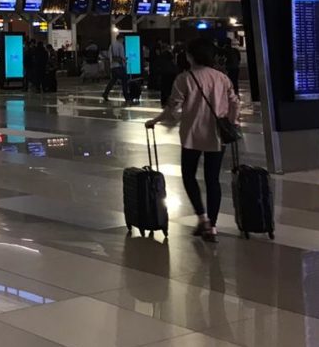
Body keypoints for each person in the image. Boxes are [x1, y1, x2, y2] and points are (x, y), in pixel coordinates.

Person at [145, 38, 239, 243]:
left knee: (189, 175)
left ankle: (202, 217)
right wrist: (231, 122)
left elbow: (172, 108)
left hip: (192, 135)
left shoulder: (184, 79)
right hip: (216, 135)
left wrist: (155, 120)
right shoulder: (221, 77)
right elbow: (235, 102)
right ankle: (212, 227)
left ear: (190, 56)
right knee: (212, 179)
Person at [102, 35, 129, 102]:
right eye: (123, 40)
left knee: (113, 80)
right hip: (119, 66)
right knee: (124, 79)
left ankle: (105, 93)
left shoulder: (111, 45)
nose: (123, 41)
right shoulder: (120, 45)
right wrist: (125, 60)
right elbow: (122, 56)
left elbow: (109, 56)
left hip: (113, 66)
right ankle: (126, 96)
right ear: (120, 39)